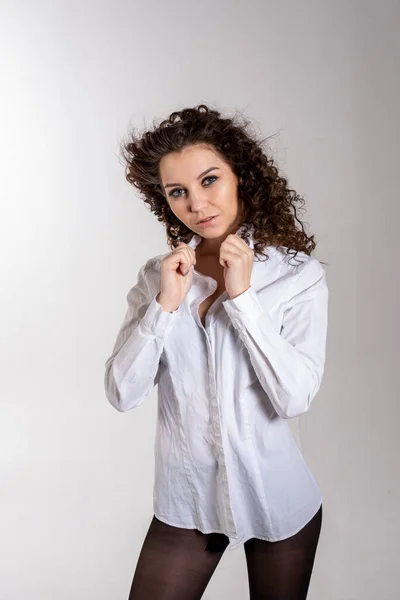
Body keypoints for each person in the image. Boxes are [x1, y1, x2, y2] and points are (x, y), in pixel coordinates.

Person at [104, 104, 328, 600]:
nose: (197, 204)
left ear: (240, 178)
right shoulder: (157, 278)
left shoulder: (298, 276)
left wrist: (244, 298)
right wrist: (165, 305)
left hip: (277, 500)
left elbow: (294, 398)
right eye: (177, 191)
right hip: (187, 501)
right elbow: (122, 392)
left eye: (210, 181)